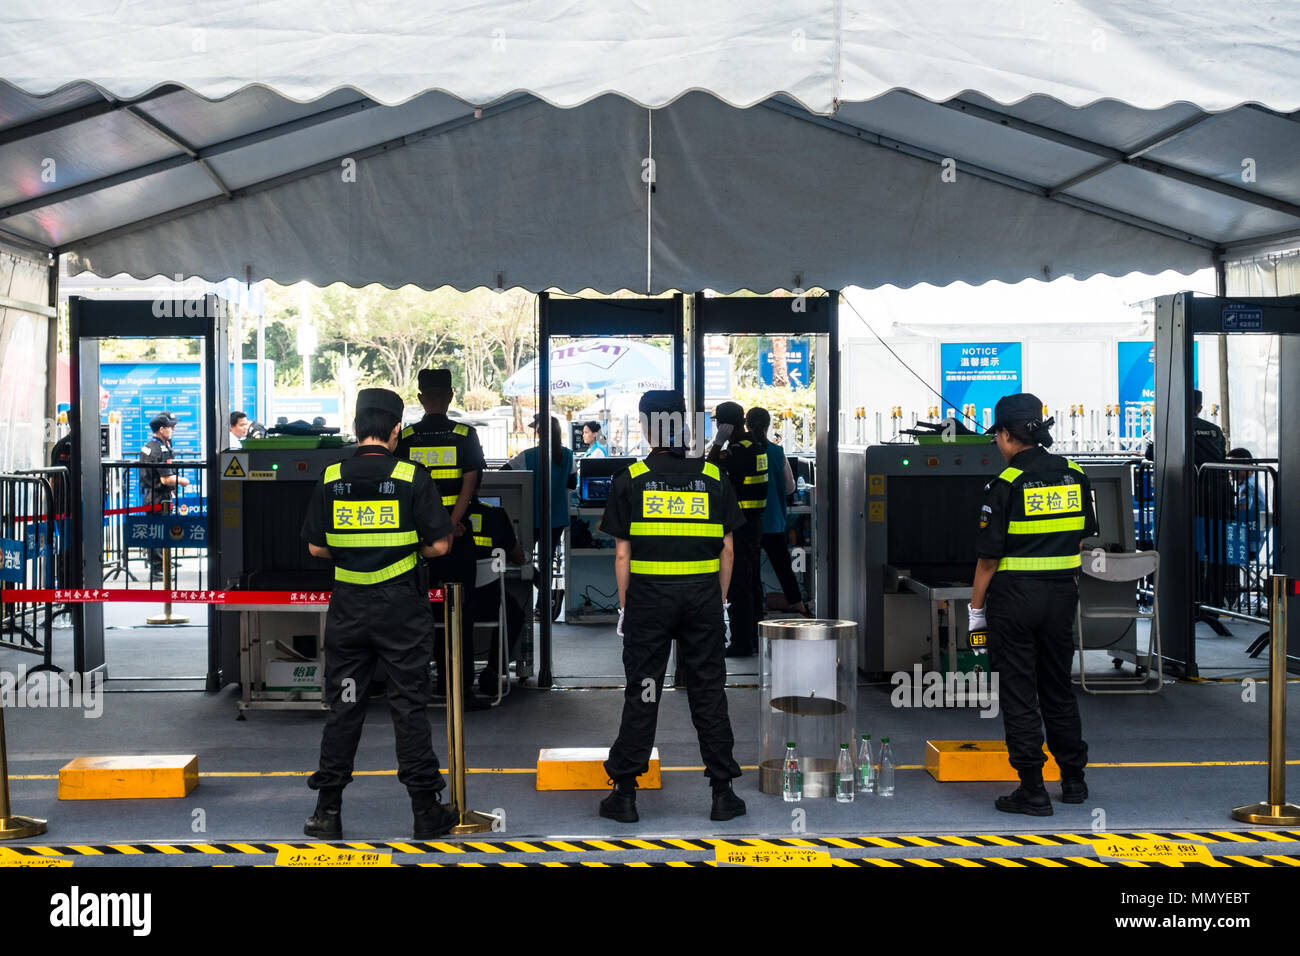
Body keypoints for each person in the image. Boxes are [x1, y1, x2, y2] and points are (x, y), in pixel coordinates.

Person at [300, 387, 456, 840]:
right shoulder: (412, 476)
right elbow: (441, 544)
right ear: (396, 430)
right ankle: (426, 811)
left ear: (355, 428)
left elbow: (315, 546)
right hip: (400, 609)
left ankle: (326, 812)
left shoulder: (331, 477)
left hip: (348, 608)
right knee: (408, 705)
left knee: (344, 706)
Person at [597, 389, 746, 823]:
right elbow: (729, 552)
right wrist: (717, 604)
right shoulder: (714, 477)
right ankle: (723, 793)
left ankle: (624, 794)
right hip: (701, 598)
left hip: (648, 601)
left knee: (644, 691)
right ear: (681, 423)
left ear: (646, 426)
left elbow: (623, 555)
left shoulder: (632, 478)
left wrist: (626, 609)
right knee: (708, 691)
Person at [969, 393, 1096, 816]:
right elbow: (1081, 536)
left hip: (1015, 601)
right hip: (1062, 596)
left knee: (1020, 692)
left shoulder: (1004, 484)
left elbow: (988, 559)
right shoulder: (1075, 474)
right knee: (1058, 688)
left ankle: (1032, 788)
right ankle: (1074, 780)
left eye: (997, 438)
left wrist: (975, 611)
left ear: (1005, 434)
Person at [397, 368, 487, 704]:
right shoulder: (465, 435)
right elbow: (471, 481)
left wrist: (430, 528)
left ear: (420, 398)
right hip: (458, 538)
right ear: (450, 396)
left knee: (421, 612)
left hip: (420, 543)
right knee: (459, 611)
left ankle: (422, 685)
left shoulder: (405, 439)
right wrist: (451, 523)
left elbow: (402, 490)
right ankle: (460, 688)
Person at [707, 401, 768, 656]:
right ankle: (752, 639)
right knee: (751, 583)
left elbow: (710, 470)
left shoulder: (739, 449)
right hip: (753, 524)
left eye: (719, 423)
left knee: (739, 586)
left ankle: (742, 643)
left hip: (740, 526)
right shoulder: (754, 445)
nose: (717, 427)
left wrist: (718, 443)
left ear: (727, 424)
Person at [505, 414, 576, 618]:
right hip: (557, 517)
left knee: (522, 557)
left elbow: (504, 472)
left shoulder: (527, 456)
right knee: (547, 560)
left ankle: (532, 594)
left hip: (531, 515)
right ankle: (543, 604)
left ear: (538, 432)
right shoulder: (568, 455)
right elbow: (572, 483)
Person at [749, 407, 811, 618]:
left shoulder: (742, 451)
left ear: (747, 426)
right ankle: (799, 605)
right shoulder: (776, 452)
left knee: (750, 569)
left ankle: (758, 607)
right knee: (783, 566)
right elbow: (790, 488)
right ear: (767, 427)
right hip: (773, 521)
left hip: (748, 522)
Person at [465, 495, 527, 696]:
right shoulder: (495, 514)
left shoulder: (439, 513)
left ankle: (443, 671)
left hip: (446, 603)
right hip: (487, 604)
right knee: (514, 612)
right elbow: (518, 557)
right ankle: (493, 669)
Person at [139, 412, 189, 581]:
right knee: (159, 532)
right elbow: (166, 479)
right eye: (170, 427)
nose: (173, 430)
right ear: (162, 429)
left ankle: (159, 566)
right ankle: (158, 570)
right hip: (160, 497)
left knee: (156, 531)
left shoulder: (149, 446)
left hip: (151, 495)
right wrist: (183, 481)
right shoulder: (160, 450)